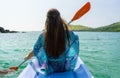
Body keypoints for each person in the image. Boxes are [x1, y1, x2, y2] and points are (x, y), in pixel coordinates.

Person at [21, 8, 79, 76]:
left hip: (49, 69)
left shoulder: (42, 36)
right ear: (60, 19)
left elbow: (36, 49)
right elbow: (74, 46)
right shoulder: (70, 35)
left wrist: (27, 56)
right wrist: (66, 32)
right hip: (64, 68)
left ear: (47, 20)